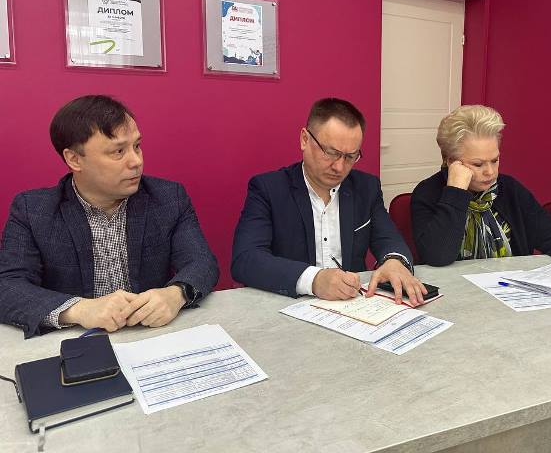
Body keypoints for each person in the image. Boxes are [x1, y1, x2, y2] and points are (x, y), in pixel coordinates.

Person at [0, 95, 219, 338]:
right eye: (118, 151)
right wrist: (79, 309)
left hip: (151, 336)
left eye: (137, 146)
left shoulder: (168, 198)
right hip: (76, 341)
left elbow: (202, 262)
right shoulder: (33, 210)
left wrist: (175, 294)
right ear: (74, 159)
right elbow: (7, 285)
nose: (136, 161)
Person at [232, 98, 427, 304]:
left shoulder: (366, 187)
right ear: (305, 139)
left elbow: (389, 239)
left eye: (350, 157)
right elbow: (246, 259)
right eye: (331, 153)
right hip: (290, 305)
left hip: (352, 306)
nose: (339, 167)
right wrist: (314, 280)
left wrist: (395, 261)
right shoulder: (269, 189)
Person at [411, 105, 551, 267]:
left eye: (495, 160)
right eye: (478, 164)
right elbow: (438, 256)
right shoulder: (428, 193)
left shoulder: (509, 189)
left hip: (508, 291)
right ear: (451, 161)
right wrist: (456, 192)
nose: (490, 172)